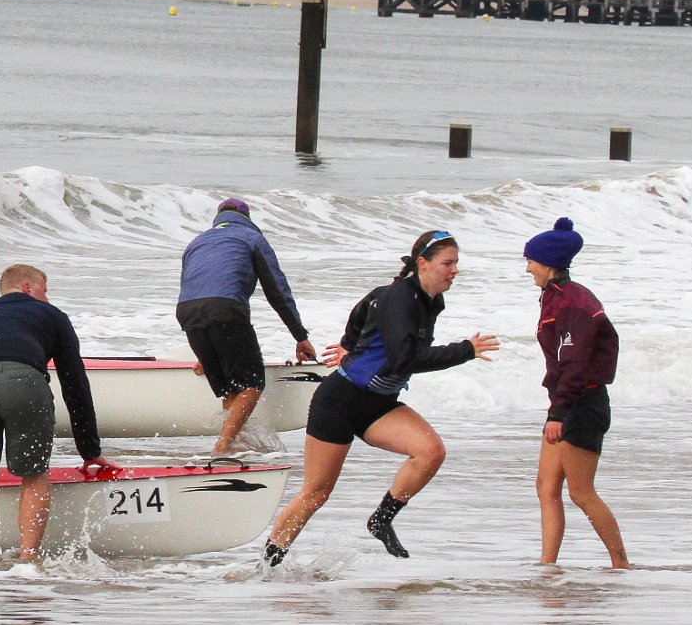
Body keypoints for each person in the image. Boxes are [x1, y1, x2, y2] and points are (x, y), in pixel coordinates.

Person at [263, 231, 499, 565]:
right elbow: (404, 359)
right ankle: (269, 562)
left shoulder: (428, 300)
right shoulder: (399, 298)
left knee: (430, 452)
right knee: (316, 494)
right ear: (423, 263)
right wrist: (465, 351)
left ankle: (381, 519)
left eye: (456, 263)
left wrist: (350, 342)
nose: (454, 270)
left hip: (378, 404)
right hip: (340, 402)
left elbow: (365, 307)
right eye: (448, 263)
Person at [0, 264, 119, 561]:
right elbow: (75, 385)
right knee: (35, 474)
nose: (47, 295)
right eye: (45, 288)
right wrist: (90, 450)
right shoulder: (53, 316)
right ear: (28, 287)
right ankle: (29, 558)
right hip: (23, 383)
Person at [176, 197, 320, 454]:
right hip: (225, 310)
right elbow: (278, 291)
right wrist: (300, 337)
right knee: (251, 383)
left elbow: (194, 288)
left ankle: (234, 445)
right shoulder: (252, 238)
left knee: (231, 389)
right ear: (247, 218)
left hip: (187, 312)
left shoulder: (196, 243)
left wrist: (205, 354)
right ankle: (222, 447)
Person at [524, 218, 630, 568]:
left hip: (582, 403)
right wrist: (557, 407)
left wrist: (558, 414)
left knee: (581, 492)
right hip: (566, 401)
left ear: (550, 264)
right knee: (546, 486)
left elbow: (575, 363)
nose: (528, 269)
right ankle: (547, 565)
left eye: (532, 262)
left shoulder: (573, 302)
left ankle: (621, 564)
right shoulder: (555, 297)